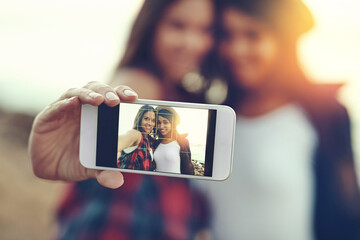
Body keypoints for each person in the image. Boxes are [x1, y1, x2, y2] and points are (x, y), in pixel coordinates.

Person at [29, 0, 217, 239]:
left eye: (206, 29)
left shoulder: (174, 94)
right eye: (177, 25)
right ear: (151, 27)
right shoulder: (139, 85)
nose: (192, 42)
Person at [196, 0, 360, 239]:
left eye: (252, 35)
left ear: (282, 41)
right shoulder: (209, 116)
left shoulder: (325, 114)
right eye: (226, 35)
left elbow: (349, 212)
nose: (236, 49)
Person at [154, 106, 194, 175]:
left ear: (172, 124)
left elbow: (188, 168)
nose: (161, 126)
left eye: (165, 122)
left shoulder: (183, 142)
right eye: (159, 122)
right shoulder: (156, 143)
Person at [117, 105, 156, 171]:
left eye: (153, 120)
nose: (150, 123)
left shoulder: (150, 141)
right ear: (140, 119)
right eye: (146, 119)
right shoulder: (136, 134)